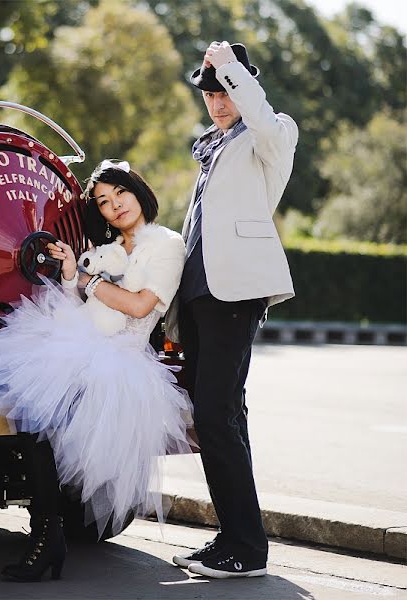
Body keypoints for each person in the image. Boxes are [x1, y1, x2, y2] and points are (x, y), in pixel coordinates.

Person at [0, 159, 192, 582]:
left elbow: (140, 305)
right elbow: (83, 300)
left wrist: (90, 283)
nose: (115, 205)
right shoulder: (106, 250)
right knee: (28, 402)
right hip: (78, 338)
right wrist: (70, 274)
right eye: (103, 202)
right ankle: (47, 540)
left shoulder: (166, 244)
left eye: (120, 193)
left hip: (116, 357)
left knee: (33, 403)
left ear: (138, 191)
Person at [166, 41, 298, 579]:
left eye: (226, 92)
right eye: (211, 94)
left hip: (233, 293)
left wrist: (230, 68)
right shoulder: (212, 148)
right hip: (198, 294)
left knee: (215, 417)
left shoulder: (272, 135)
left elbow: (262, 119)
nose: (219, 102)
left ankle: (245, 548)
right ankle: (234, 539)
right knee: (215, 418)